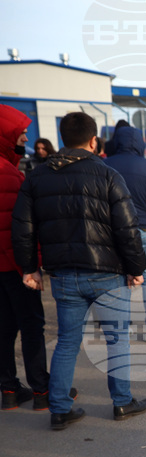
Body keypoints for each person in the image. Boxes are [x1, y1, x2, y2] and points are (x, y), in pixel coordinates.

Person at [12, 112, 146, 430]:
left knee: (67, 342)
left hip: (63, 273)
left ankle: (59, 408)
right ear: (94, 141)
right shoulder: (108, 175)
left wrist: (30, 269)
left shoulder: (37, 176)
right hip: (107, 273)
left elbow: (23, 228)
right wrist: (136, 268)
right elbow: (127, 229)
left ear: (62, 139)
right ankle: (122, 402)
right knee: (117, 340)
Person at [1, 104, 52, 410]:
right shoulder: (7, 174)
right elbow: (15, 229)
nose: (25, 140)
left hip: (4, 267)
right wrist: (30, 269)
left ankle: (8, 390)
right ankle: (42, 391)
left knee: (4, 327)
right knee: (32, 325)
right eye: (20, 135)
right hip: (13, 266)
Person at [104, 125, 146, 342]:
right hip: (145, 228)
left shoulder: (104, 165)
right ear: (141, 143)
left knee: (118, 278)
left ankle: (120, 327)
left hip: (113, 230)